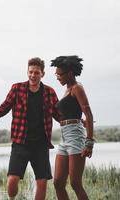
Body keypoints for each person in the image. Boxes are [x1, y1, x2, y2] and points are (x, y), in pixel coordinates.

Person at [0, 57, 60, 200]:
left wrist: (75, 121)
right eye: (31, 72)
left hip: (41, 143)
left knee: (42, 181)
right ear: (27, 72)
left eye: (36, 73)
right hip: (21, 142)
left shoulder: (50, 92)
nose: (33, 75)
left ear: (42, 74)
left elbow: (59, 114)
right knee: (12, 179)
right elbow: (5, 107)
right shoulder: (17, 88)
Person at [51, 56, 94, 200]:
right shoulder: (67, 89)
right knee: (58, 182)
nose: (57, 77)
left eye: (59, 74)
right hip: (65, 137)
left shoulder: (77, 88)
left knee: (75, 183)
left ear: (69, 73)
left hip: (76, 136)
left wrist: (89, 142)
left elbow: (88, 113)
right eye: (56, 74)